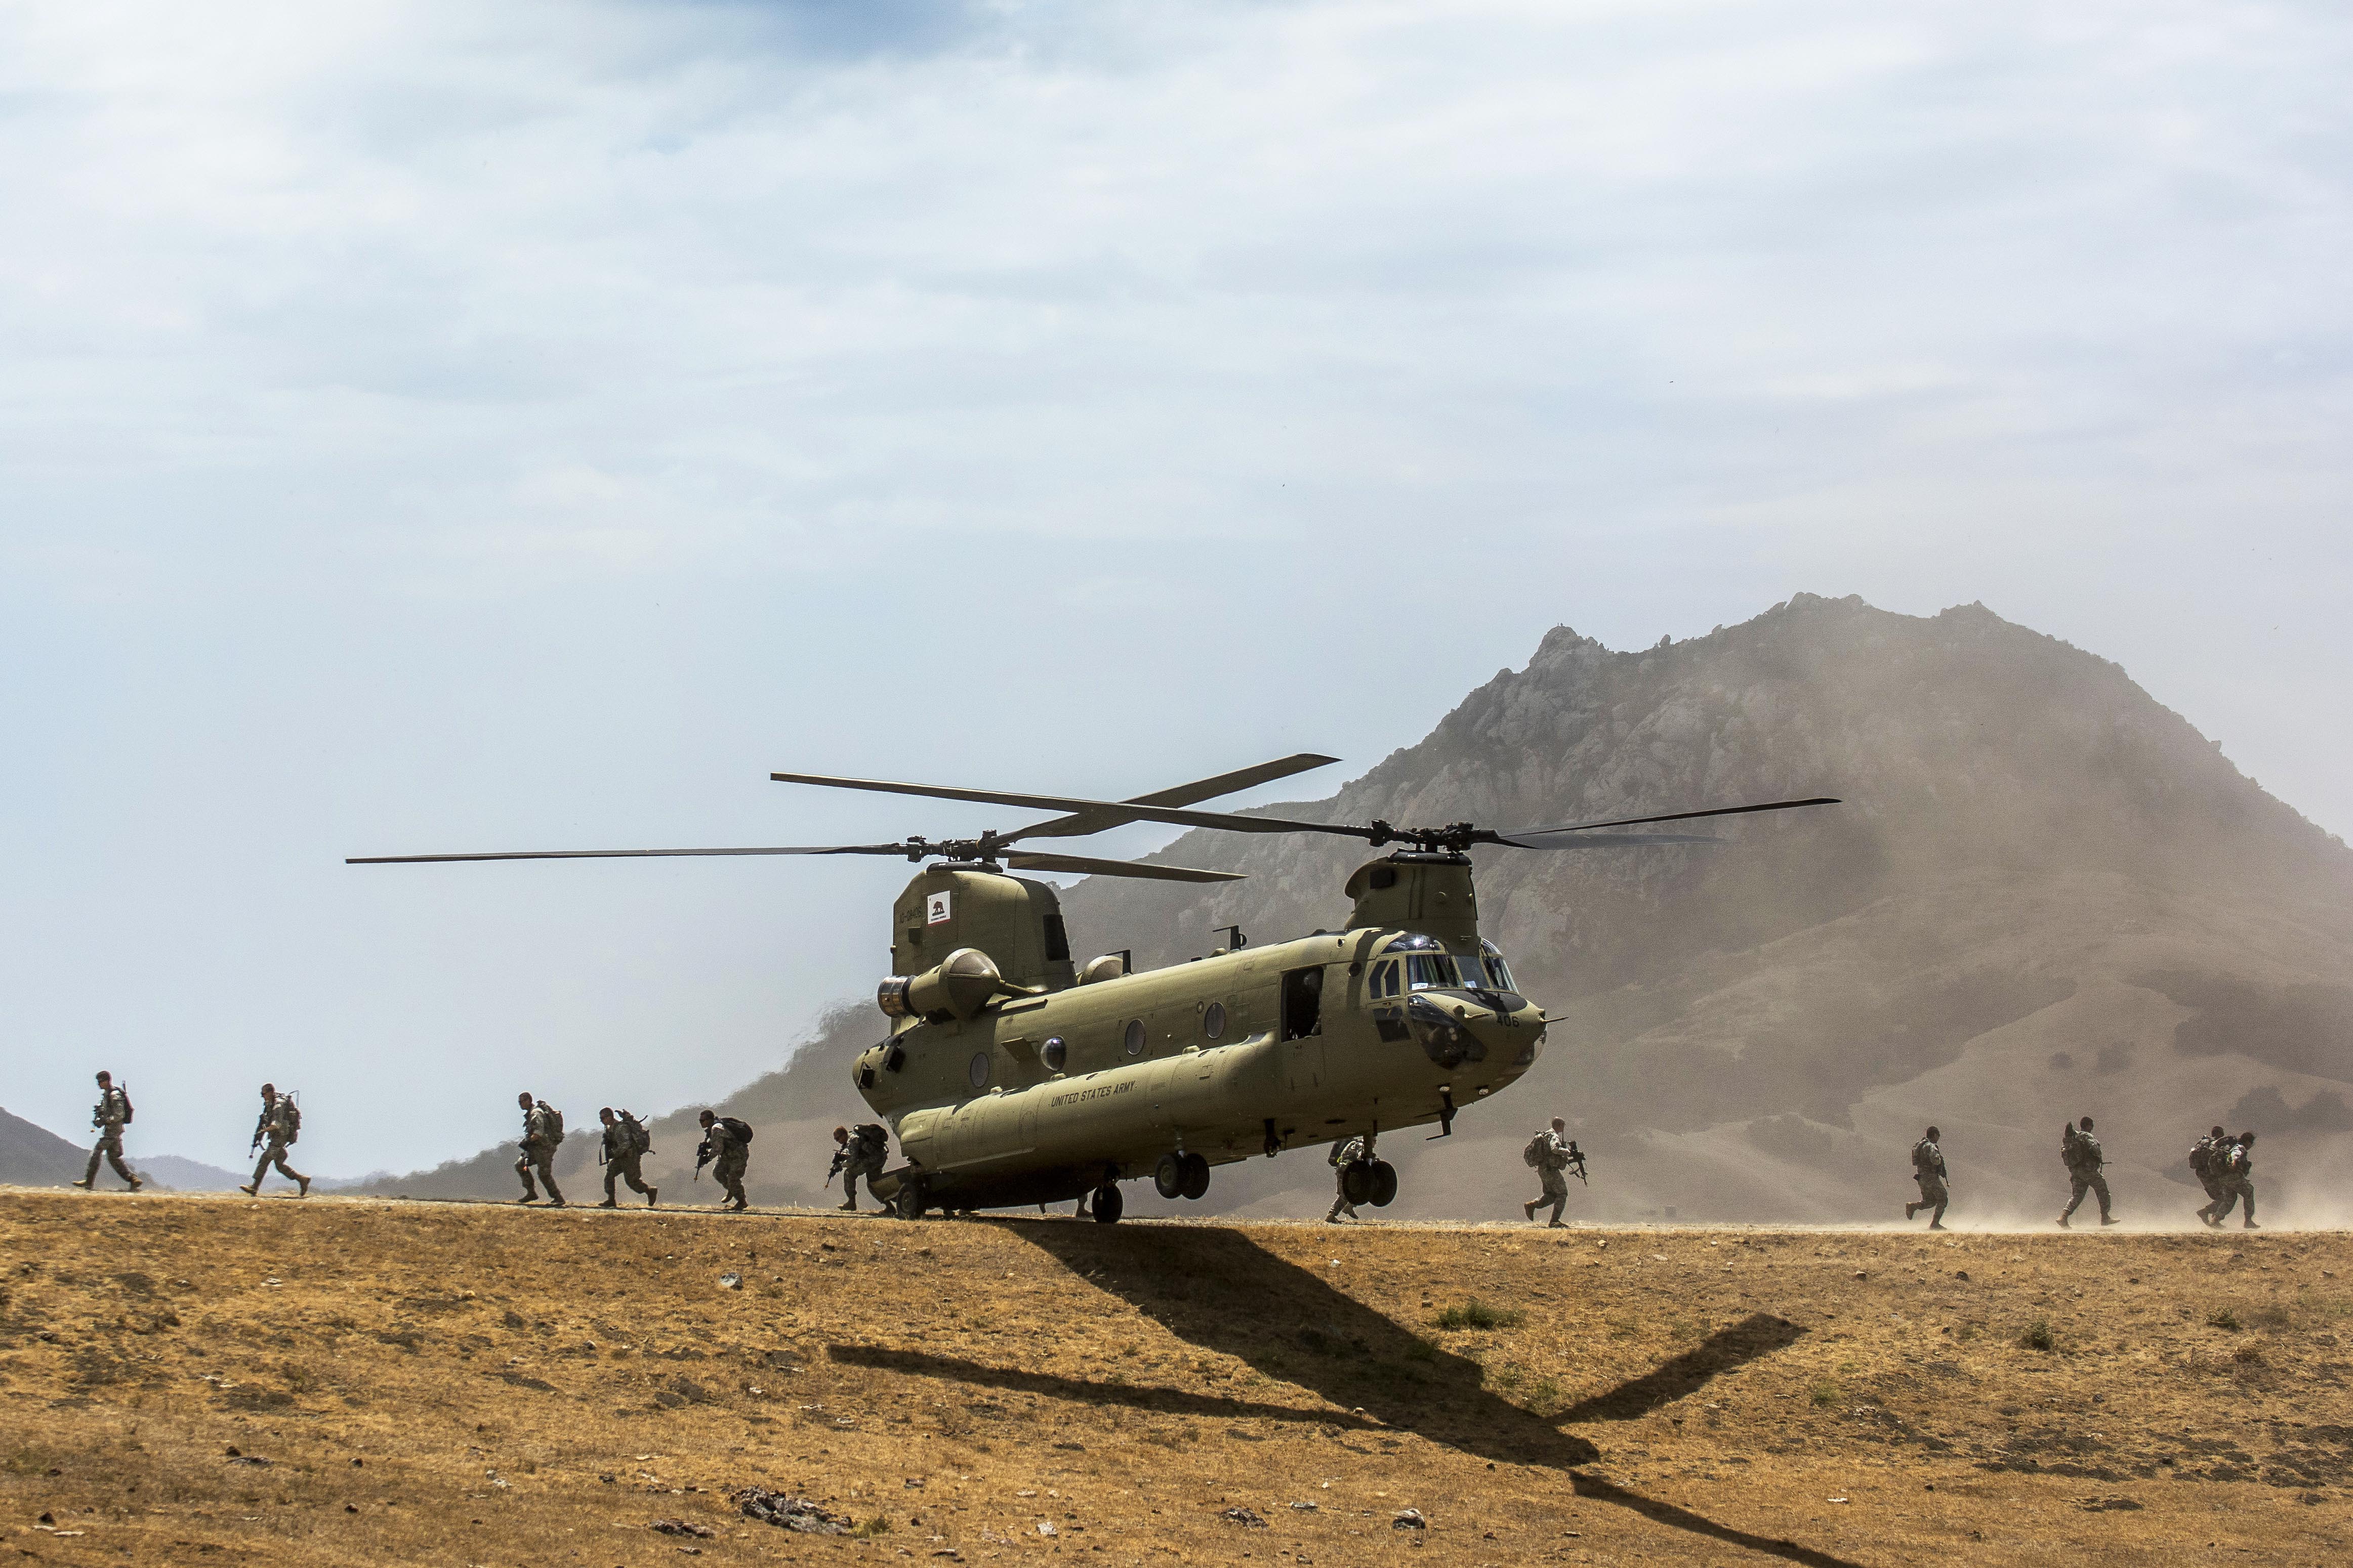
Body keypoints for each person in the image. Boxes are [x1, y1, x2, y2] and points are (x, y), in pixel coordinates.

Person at [72, 1071, 141, 1192]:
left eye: (101, 1081)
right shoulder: (107, 1095)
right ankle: (133, 1179)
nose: (99, 1084)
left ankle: (89, 1182)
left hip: (113, 1132)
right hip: (112, 1131)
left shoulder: (115, 1095)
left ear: (107, 1081)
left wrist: (106, 1120)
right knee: (114, 1158)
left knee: (97, 1152)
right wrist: (100, 1118)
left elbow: (119, 1115)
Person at [241, 1083, 309, 1198]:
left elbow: (277, 1125)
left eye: (264, 1094)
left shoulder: (279, 1104)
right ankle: (302, 1180)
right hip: (276, 1137)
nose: (263, 1096)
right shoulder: (269, 1104)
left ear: (270, 1092)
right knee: (280, 1165)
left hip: (281, 1137)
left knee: (265, 1159)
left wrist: (264, 1131)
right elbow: (265, 1121)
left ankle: (254, 1188)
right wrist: (259, 1136)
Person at [2056, 1114, 2115, 1228]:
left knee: (2077, 1196)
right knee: (2102, 1189)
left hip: (2076, 1172)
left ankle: (2063, 1217)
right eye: (2091, 1126)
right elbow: (2095, 1149)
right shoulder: (2087, 1136)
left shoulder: (2075, 1138)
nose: (2092, 1128)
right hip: (2088, 1170)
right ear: (2088, 1126)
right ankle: (2105, 1217)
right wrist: (2097, 1159)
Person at [596, 1107, 657, 1209]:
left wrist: (615, 1153)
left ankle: (650, 1191)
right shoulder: (611, 1129)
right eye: (601, 1118)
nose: (601, 1121)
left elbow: (626, 1144)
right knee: (610, 1175)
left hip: (630, 1158)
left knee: (632, 1182)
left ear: (610, 1117)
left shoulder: (620, 1128)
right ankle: (611, 1200)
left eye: (603, 1118)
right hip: (621, 1157)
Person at [514, 1091, 566, 1207]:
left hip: (544, 1148)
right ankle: (531, 1193)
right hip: (536, 1148)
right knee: (520, 1165)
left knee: (544, 1174)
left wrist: (527, 1142)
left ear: (528, 1101)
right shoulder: (531, 1113)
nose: (520, 1104)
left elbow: (538, 1133)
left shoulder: (536, 1113)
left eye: (522, 1102)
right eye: (519, 1102)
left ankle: (558, 1198)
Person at [1523, 1117, 1575, 1228]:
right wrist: (1567, 1152)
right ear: (1559, 1125)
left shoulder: (1546, 1135)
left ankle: (1532, 1205)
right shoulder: (1554, 1136)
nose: (1564, 1127)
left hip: (1543, 1169)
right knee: (1562, 1193)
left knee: (1552, 1195)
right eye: (1563, 1125)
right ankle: (1554, 1221)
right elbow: (1554, 1149)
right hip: (1550, 1170)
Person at [696, 1109, 751, 1211]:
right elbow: (720, 1142)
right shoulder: (713, 1128)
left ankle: (742, 1201)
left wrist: (708, 1158)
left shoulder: (716, 1129)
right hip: (727, 1156)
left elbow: (718, 1149)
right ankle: (732, 1190)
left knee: (733, 1179)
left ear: (709, 1120)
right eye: (700, 1121)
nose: (701, 1123)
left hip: (738, 1155)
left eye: (703, 1121)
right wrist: (707, 1146)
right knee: (718, 1173)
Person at [829, 1123, 888, 1212]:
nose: (838, 1141)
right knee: (873, 1184)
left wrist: (841, 1166)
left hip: (872, 1160)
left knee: (849, 1174)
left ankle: (851, 1203)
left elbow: (852, 1161)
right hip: (879, 1158)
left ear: (844, 1134)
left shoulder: (852, 1140)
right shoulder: (854, 1137)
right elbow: (856, 1155)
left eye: (838, 1138)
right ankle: (889, 1207)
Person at [2210, 1131, 2258, 1229]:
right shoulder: (2240, 1148)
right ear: (2248, 1142)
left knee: (2230, 1199)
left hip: (2224, 1178)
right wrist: (2234, 1163)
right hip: (2232, 1177)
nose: (2251, 1145)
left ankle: (2215, 1220)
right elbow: (2234, 1156)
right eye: (2251, 1143)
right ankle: (2248, 1220)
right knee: (2249, 1190)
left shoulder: (2232, 1147)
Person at [1905, 1125, 1949, 1229]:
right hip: (1931, 1178)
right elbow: (1935, 1161)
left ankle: (1913, 1206)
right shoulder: (1931, 1146)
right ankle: (1935, 1224)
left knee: (1930, 1202)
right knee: (1943, 1198)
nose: (1938, 1138)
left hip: (1922, 1178)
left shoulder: (1920, 1146)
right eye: (1938, 1136)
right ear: (1935, 1135)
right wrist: (1940, 1162)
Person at [2191, 1125, 2231, 1226]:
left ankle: (2214, 1219)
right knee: (2225, 1198)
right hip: (2211, 1175)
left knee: (2221, 1197)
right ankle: (2206, 1213)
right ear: (2221, 1134)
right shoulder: (2217, 1145)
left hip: (2202, 1174)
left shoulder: (2204, 1143)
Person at [1325, 1133, 1367, 1223]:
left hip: (1342, 1170)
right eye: (1375, 1141)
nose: (1375, 1143)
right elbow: (1360, 1160)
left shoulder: (1355, 1144)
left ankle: (1336, 1212)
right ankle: (1335, 1213)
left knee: (1346, 1195)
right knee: (1350, 1194)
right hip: (1347, 1173)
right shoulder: (1361, 1146)